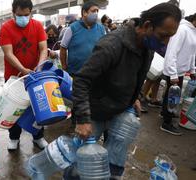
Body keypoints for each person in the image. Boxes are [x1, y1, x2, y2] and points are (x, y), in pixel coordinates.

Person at [72, 3, 181, 179]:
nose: (166, 42)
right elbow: (81, 81)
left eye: (170, 37)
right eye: (164, 35)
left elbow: (137, 75)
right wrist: (83, 119)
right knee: (81, 164)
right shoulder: (111, 45)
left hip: (119, 110)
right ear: (147, 26)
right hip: (95, 112)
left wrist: (135, 97)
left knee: (114, 160)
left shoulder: (148, 47)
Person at [0, 0, 48, 151]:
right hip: (14, 77)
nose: (23, 18)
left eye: (27, 15)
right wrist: (23, 69)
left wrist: (39, 68)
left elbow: (43, 49)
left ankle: (38, 136)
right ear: (13, 12)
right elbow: (8, 53)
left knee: (37, 108)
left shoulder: (37, 26)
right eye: (20, 15)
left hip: (35, 76)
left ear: (31, 12)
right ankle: (14, 137)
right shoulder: (6, 28)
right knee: (14, 109)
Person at [161, 13, 196, 136]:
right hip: (174, 70)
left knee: (171, 95)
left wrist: (192, 70)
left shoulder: (193, 31)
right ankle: (166, 123)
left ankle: (166, 113)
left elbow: (192, 53)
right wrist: (173, 74)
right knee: (172, 96)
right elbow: (172, 52)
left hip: (180, 70)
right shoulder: (182, 29)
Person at [60, 1, 106, 77]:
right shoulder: (72, 28)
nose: (96, 14)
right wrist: (64, 68)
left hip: (96, 73)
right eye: (93, 11)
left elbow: (105, 48)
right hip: (75, 74)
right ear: (84, 12)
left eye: (97, 11)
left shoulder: (101, 29)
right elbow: (63, 48)